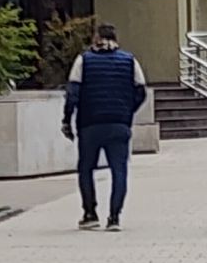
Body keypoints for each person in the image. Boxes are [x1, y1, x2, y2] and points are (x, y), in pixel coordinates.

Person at [62, 23, 147, 231]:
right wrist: (127, 111)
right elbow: (141, 91)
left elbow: (73, 93)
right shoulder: (130, 60)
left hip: (89, 124)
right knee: (119, 170)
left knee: (86, 169)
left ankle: (90, 213)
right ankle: (114, 217)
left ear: (96, 38)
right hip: (119, 124)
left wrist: (67, 120)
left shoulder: (83, 60)